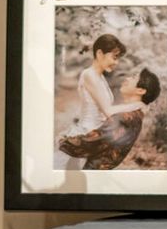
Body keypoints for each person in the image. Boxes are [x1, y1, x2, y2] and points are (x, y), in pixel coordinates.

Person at [57, 35, 146, 166]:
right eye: (114, 57)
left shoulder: (100, 77)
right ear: (99, 53)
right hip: (87, 133)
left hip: (96, 136)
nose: (116, 62)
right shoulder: (89, 75)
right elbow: (108, 111)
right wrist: (137, 104)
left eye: (118, 58)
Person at [59, 68, 162, 170]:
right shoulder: (135, 114)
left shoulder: (125, 117)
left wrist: (62, 141)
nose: (127, 78)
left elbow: (93, 142)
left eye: (134, 77)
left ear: (141, 90)